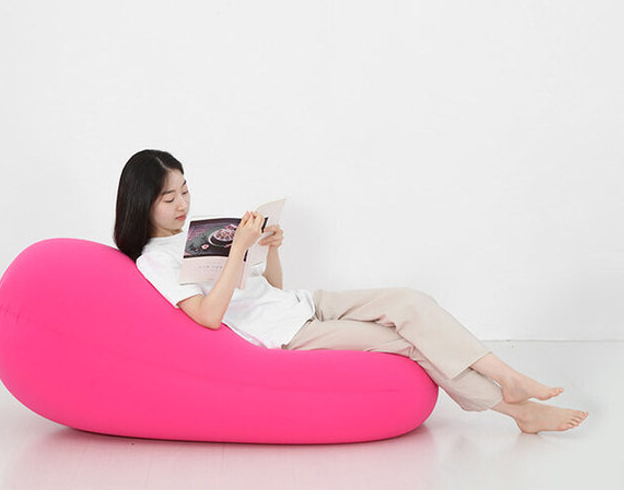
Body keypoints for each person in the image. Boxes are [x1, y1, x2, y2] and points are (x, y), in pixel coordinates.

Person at [114, 149, 588, 434]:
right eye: (169, 197)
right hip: (285, 334)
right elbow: (209, 317)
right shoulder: (155, 259)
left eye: (185, 190)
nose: (183, 203)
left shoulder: (197, 235)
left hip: (301, 305)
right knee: (405, 342)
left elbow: (270, 289)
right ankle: (517, 412)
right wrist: (237, 250)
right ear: (143, 203)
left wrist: (269, 249)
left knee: (410, 300)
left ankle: (507, 374)